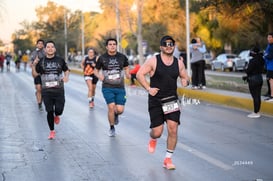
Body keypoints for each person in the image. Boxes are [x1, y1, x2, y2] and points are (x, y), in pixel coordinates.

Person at [136, 35, 190, 170]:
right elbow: (139, 74)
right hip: (156, 101)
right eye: (165, 44)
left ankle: (168, 159)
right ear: (161, 47)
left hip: (171, 100)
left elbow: (185, 77)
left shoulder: (179, 63)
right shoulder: (153, 61)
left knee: (173, 129)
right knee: (157, 132)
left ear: (174, 46)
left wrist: (186, 81)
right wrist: (149, 88)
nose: (168, 46)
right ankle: (153, 139)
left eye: (171, 44)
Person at [31, 40, 70, 140]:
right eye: (48, 47)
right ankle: (52, 131)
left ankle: (57, 115)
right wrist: (34, 65)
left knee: (59, 110)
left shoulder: (60, 60)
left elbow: (66, 70)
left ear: (55, 49)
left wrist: (66, 77)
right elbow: (35, 75)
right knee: (49, 111)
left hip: (59, 90)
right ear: (45, 49)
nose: (50, 48)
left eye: (52, 47)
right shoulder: (41, 61)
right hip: (46, 91)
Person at [94, 38, 130, 137]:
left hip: (120, 87)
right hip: (107, 87)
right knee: (111, 107)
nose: (112, 46)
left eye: (114, 44)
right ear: (107, 46)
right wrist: (100, 76)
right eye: (110, 44)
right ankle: (112, 127)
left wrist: (127, 74)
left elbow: (126, 67)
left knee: (120, 110)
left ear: (116, 45)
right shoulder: (102, 58)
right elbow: (95, 71)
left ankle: (116, 115)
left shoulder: (122, 57)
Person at [243, 46, 264, 118]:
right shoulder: (262, 59)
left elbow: (248, 71)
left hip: (253, 80)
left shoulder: (252, 61)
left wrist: (245, 69)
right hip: (260, 79)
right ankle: (257, 111)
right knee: (258, 96)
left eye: (251, 52)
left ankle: (255, 113)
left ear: (254, 52)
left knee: (255, 97)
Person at [30, 39, 45, 111]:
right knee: (39, 88)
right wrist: (34, 63)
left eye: (42, 43)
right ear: (37, 45)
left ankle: (40, 95)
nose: (40, 45)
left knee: (44, 89)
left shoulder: (46, 52)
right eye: (39, 43)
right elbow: (31, 63)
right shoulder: (34, 53)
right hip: (37, 73)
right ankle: (40, 104)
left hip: (45, 74)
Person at [264, 32, 273, 102]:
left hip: (271, 67)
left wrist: (265, 55)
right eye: (268, 37)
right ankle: (270, 93)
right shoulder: (269, 45)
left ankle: (271, 96)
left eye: (270, 37)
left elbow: (270, 56)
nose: (268, 38)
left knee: (271, 80)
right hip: (268, 66)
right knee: (269, 80)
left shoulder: (272, 46)